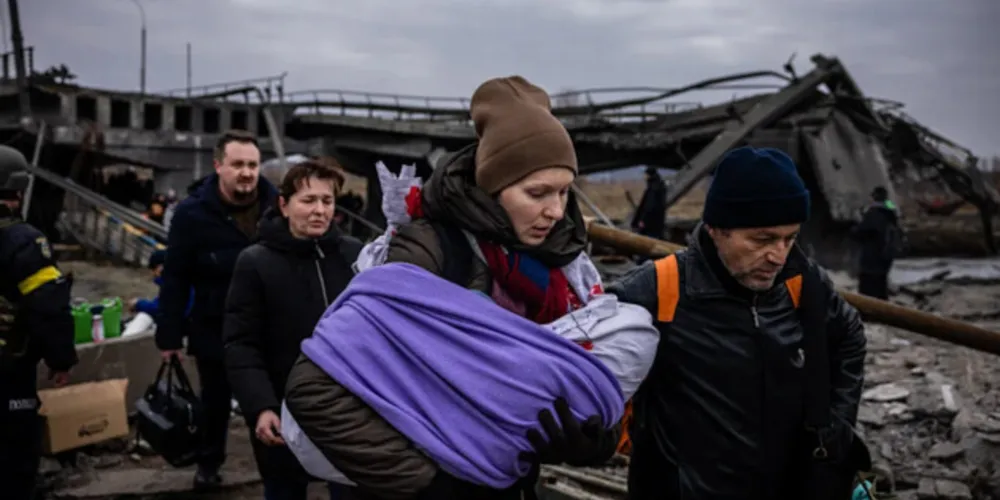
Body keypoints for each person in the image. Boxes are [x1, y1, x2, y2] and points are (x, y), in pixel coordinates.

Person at [283, 76, 620, 500]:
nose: (555, 211)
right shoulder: (429, 250)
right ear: (492, 189)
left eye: (564, 191)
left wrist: (590, 440)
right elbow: (314, 389)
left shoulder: (567, 271)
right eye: (537, 193)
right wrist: (432, 484)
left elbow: (587, 374)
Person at [609, 146, 869, 499]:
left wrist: (835, 425)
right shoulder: (658, 289)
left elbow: (850, 336)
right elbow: (586, 365)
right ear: (717, 229)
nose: (778, 255)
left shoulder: (802, 282)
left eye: (789, 238)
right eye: (762, 240)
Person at [224, 158, 362, 500]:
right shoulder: (256, 262)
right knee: (285, 491)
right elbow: (241, 343)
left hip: (348, 410)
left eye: (327, 201)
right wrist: (261, 406)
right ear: (284, 206)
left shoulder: (354, 256)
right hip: (285, 409)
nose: (319, 211)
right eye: (308, 200)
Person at [156, 129, 277, 489]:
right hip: (214, 327)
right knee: (216, 402)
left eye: (253, 164)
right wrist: (169, 335)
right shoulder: (192, 214)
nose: (246, 172)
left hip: (267, 325)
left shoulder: (277, 206)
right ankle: (208, 465)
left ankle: (278, 466)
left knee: (269, 398)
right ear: (218, 166)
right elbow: (175, 277)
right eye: (238, 164)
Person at [0, 145, 77, 499]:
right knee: (14, 463)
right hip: (8, 375)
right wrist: (61, 360)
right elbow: (49, 307)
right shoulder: (24, 242)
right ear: (16, 190)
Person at [851, 186, 903, 300]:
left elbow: (861, 232)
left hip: (872, 258)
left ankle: (869, 312)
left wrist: (856, 223)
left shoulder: (873, 213)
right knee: (881, 286)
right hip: (885, 257)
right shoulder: (891, 212)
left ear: (873, 197)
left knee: (868, 289)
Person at [630, 166, 667, 241]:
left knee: (646, 242)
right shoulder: (658, 186)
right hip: (656, 223)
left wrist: (643, 221)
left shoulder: (654, 188)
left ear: (649, 175)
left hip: (650, 224)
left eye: (645, 174)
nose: (644, 177)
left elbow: (650, 206)